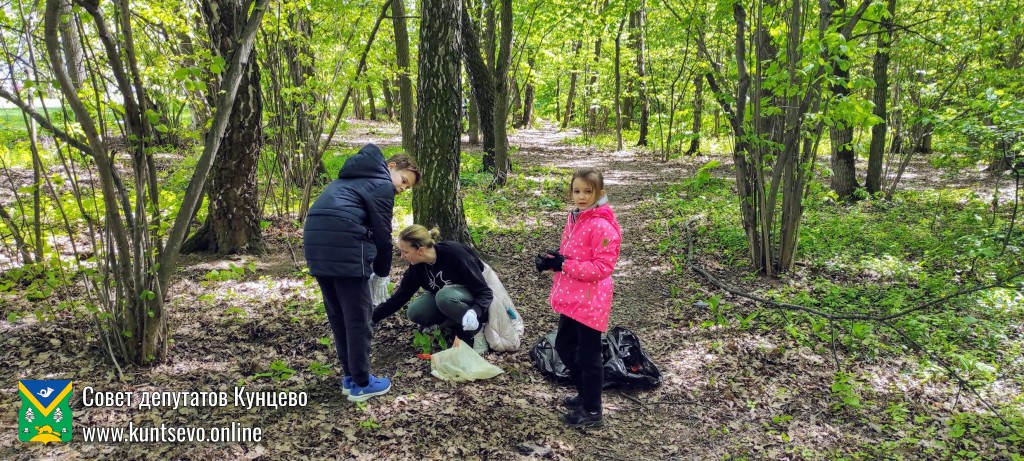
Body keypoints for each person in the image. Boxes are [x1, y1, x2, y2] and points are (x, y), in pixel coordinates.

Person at [303, 143, 419, 402]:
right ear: (391, 166)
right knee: (358, 317)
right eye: (403, 180)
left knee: (338, 315)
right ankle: (362, 383)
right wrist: (383, 273)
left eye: (407, 188)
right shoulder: (381, 184)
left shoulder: (348, 178)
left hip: (317, 247)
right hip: (345, 248)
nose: (401, 188)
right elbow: (382, 233)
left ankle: (350, 376)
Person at [536, 168, 621, 428]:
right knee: (564, 345)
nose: (581, 196)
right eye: (577, 191)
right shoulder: (576, 217)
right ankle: (584, 395)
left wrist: (563, 265)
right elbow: (573, 254)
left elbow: (602, 268)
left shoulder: (602, 225)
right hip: (573, 297)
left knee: (588, 356)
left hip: (591, 300)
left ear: (600, 193)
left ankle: (593, 411)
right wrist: (552, 261)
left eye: (587, 192)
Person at [372, 225, 493, 354]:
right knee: (414, 311)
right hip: (448, 299)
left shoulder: (455, 254)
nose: (402, 256)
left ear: (420, 250)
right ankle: (451, 324)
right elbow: (399, 297)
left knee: (444, 296)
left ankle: (477, 332)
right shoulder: (416, 268)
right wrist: (372, 318)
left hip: (472, 297)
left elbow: (485, 292)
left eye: (405, 252)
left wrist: (475, 312)